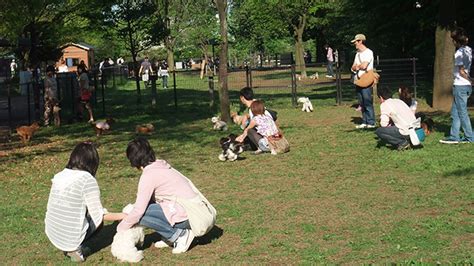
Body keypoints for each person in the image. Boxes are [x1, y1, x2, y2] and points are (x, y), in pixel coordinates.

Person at [45, 142, 126, 262]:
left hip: (52, 231)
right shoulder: (87, 179)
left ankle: (68, 244)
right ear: (93, 162)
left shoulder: (60, 175)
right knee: (98, 222)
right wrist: (124, 216)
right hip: (69, 236)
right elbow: (99, 215)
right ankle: (75, 249)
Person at [117, 137, 198, 254]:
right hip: (192, 211)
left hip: (187, 216)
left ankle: (180, 235)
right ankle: (171, 235)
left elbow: (139, 210)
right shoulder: (160, 165)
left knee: (138, 212)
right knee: (145, 208)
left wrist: (121, 228)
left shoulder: (149, 175)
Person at [440, 28, 473, 144]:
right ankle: (454, 136)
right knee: (455, 112)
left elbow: (461, 71)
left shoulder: (459, 53)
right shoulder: (469, 50)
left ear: (455, 41)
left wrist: (471, 80)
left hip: (461, 86)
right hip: (465, 86)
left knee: (462, 113)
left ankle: (470, 137)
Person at [375, 86, 418, 151]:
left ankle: (402, 142)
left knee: (379, 131)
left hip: (405, 130)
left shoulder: (385, 104)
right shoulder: (399, 101)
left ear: (381, 97)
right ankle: (408, 140)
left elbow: (383, 124)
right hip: (415, 128)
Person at [351, 34, 376, 129]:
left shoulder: (369, 52)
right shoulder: (357, 54)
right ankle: (364, 121)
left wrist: (357, 66)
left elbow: (364, 66)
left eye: (356, 42)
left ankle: (371, 122)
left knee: (367, 101)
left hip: (366, 80)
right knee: (361, 102)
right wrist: (357, 66)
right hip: (358, 80)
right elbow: (353, 67)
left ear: (360, 41)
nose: (355, 44)